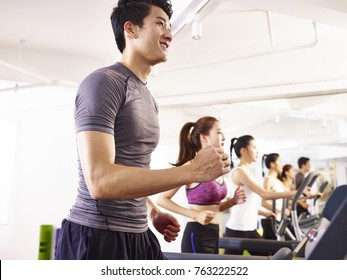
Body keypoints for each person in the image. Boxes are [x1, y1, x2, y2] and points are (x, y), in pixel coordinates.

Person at [55, 0, 231, 260]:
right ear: (131, 29)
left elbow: (132, 169)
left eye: (169, 26)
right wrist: (190, 171)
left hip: (139, 233)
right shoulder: (103, 83)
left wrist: (151, 211)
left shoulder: (148, 97)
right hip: (97, 234)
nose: (169, 34)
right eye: (160, 24)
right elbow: (100, 181)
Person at [157, 117, 246, 254]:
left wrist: (233, 202)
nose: (224, 137)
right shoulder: (191, 166)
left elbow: (213, 209)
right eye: (219, 132)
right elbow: (162, 199)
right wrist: (195, 215)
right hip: (197, 234)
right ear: (204, 137)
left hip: (215, 233)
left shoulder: (217, 169)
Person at [224, 136, 296, 255]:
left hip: (250, 229)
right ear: (243, 151)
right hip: (238, 229)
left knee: (267, 257)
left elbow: (248, 203)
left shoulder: (248, 172)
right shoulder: (240, 172)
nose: (257, 151)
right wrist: (294, 193)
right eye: (254, 147)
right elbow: (265, 194)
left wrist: (265, 213)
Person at [260, 153, 291, 240]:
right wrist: (280, 211)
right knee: (276, 248)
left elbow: (291, 194)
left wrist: (309, 195)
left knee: (274, 249)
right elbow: (263, 202)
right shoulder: (268, 179)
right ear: (272, 164)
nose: (282, 164)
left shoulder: (278, 181)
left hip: (278, 219)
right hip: (271, 220)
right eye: (280, 161)